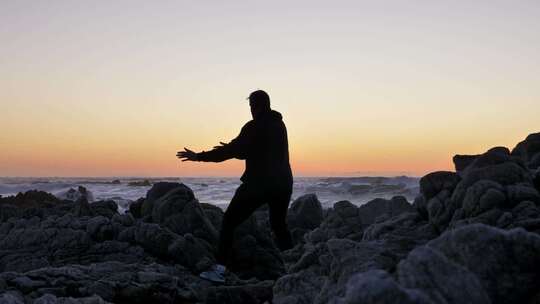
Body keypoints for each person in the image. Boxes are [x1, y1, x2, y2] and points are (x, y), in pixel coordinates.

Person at [177, 90, 294, 283]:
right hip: (283, 183)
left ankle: (220, 270)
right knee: (279, 225)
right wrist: (237, 147)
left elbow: (232, 151)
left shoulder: (254, 125)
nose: (250, 111)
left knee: (229, 221)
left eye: (251, 107)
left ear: (254, 106)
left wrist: (199, 156)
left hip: (259, 184)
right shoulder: (279, 124)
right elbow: (252, 150)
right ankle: (293, 269)